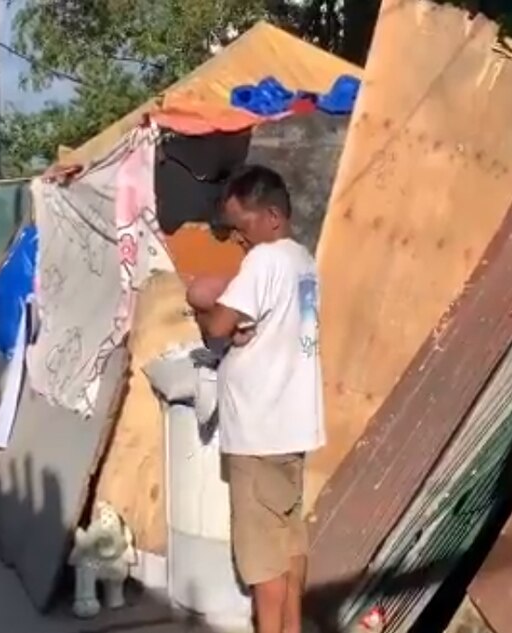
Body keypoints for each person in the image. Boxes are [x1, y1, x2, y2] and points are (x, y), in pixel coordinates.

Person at [186, 164, 325, 633]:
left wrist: (209, 321)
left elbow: (219, 328)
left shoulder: (265, 260)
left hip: (259, 433)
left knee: (263, 562)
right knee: (289, 545)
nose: (239, 240)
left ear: (271, 216)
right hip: (291, 426)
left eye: (241, 226)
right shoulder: (303, 262)